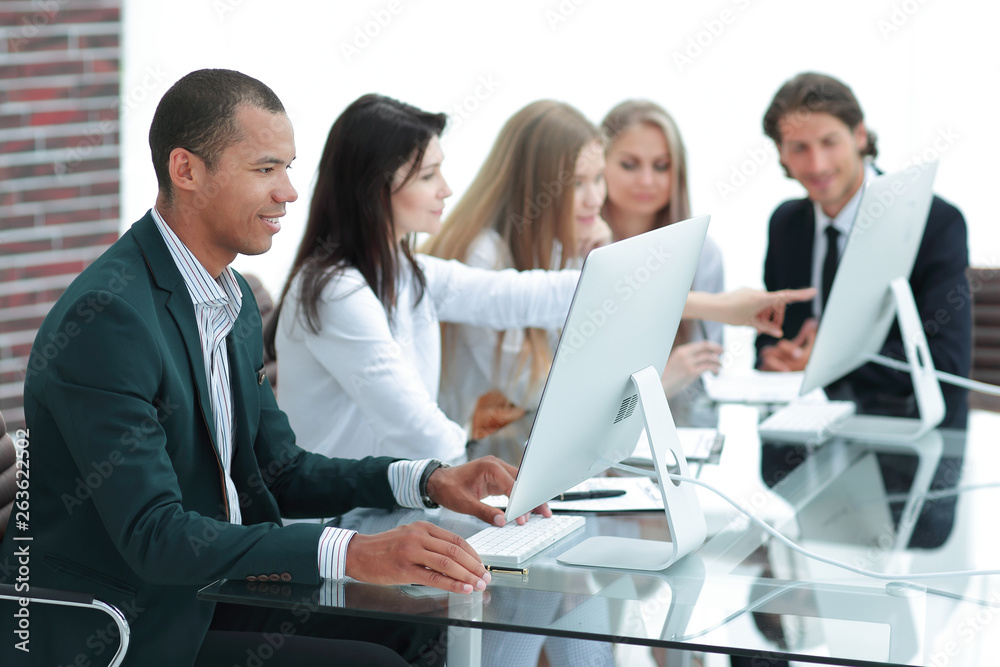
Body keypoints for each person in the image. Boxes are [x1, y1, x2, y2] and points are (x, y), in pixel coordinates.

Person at [0, 69, 549, 667]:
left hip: (220, 589)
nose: (288, 191)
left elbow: (279, 472)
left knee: (426, 627)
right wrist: (351, 551)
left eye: (288, 167)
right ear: (186, 170)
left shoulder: (230, 299)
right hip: (134, 622)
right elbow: (154, 538)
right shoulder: (109, 319)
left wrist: (427, 479)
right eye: (265, 169)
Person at [268, 95, 805, 464]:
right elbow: (423, 432)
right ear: (374, 189)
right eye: (429, 176)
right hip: (350, 525)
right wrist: (485, 482)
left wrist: (712, 305)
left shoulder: (411, 273)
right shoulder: (338, 291)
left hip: (404, 500)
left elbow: (534, 298)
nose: (446, 189)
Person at [426, 100, 810, 433]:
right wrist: (658, 381)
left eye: (596, 179)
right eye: (578, 183)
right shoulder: (485, 255)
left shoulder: (568, 245)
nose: (595, 197)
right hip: (472, 456)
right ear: (534, 188)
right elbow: (542, 394)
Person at [755, 72, 971, 428]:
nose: (817, 164)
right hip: (806, 434)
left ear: (858, 135)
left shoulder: (931, 221)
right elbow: (771, 335)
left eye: (829, 142)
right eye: (799, 148)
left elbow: (947, 362)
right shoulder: (786, 225)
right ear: (781, 154)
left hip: (905, 433)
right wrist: (774, 357)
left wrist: (826, 363)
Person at [601, 99, 724, 400]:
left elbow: (705, 376)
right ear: (599, 163)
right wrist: (659, 381)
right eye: (629, 165)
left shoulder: (702, 254)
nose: (646, 180)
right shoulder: (576, 249)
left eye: (661, 166)